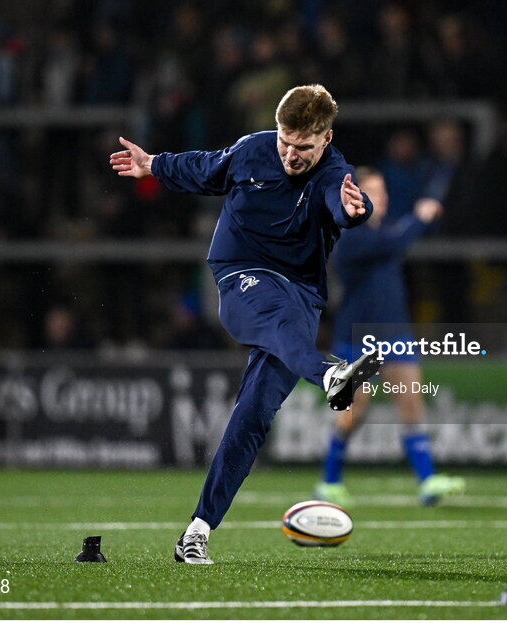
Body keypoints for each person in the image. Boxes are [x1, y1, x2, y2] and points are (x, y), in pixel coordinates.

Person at [109, 84, 383, 564]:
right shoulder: (253, 150)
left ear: (326, 138)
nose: (291, 155)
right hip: (241, 276)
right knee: (280, 329)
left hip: (299, 294)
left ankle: (196, 530)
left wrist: (357, 212)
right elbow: (204, 167)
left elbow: (345, 205)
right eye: (285, 141)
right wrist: (153, 164)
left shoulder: (335, 173)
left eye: (304, 147)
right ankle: (328, 375)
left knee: (252, 416)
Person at [314, 167, 465, 507]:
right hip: (358, 335)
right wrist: (420, 216)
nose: (380, 199)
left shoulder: (385, 230)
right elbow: (396, 241)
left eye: (382, 193)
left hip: (395, 331)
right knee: (355, 412)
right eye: (372, 193)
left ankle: (428, 481)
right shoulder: (349, 234)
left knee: (411, 404)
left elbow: (398, 239)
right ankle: (330, 481)